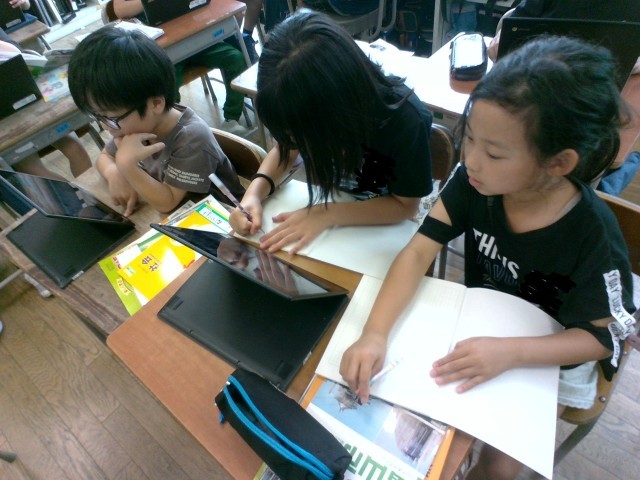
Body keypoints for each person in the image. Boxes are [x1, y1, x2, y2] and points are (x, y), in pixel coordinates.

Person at [340, 36, 636, 480]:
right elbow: (419, 250)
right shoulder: (475, 182)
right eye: (470, 139)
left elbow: (601, 338)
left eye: (494, 153)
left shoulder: (594, 237)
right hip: (480, 323)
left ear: (558, 163)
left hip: (553, 351)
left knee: (497, 468)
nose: (471, 161)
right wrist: (374, 333)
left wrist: (511, 353)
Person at [229, 9, 433, 254]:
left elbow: (406, 206)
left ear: (340, 111)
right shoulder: (304, 107)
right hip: (333, 216)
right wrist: (253, 194)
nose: (297, 142)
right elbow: (286, 151)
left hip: (383, 226)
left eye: (304, 135)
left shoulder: (404, 121)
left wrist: (326, 214)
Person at [67, 26, 244, 217]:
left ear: (156, 103)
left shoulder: (190, 137)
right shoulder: (132, 126)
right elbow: (105, 156)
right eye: (98, 116)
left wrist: (126, 165)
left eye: (110, 117)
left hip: (225, 216)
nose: (105, 125)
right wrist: (114, 173)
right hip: (178, 216)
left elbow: (167, 202)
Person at [112, 0, 251, 136]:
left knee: (235, 58)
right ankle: (175, 131)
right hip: (168, 49)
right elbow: (119, 9)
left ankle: (231, 118)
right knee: (167, 83)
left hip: (195, 33)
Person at [0, 33, 91, 180]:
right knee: (33, 171)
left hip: (29, 102)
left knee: (75, 148)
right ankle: (75, 194)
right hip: (5, 126)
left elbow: (16, 52)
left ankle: (93, 193)